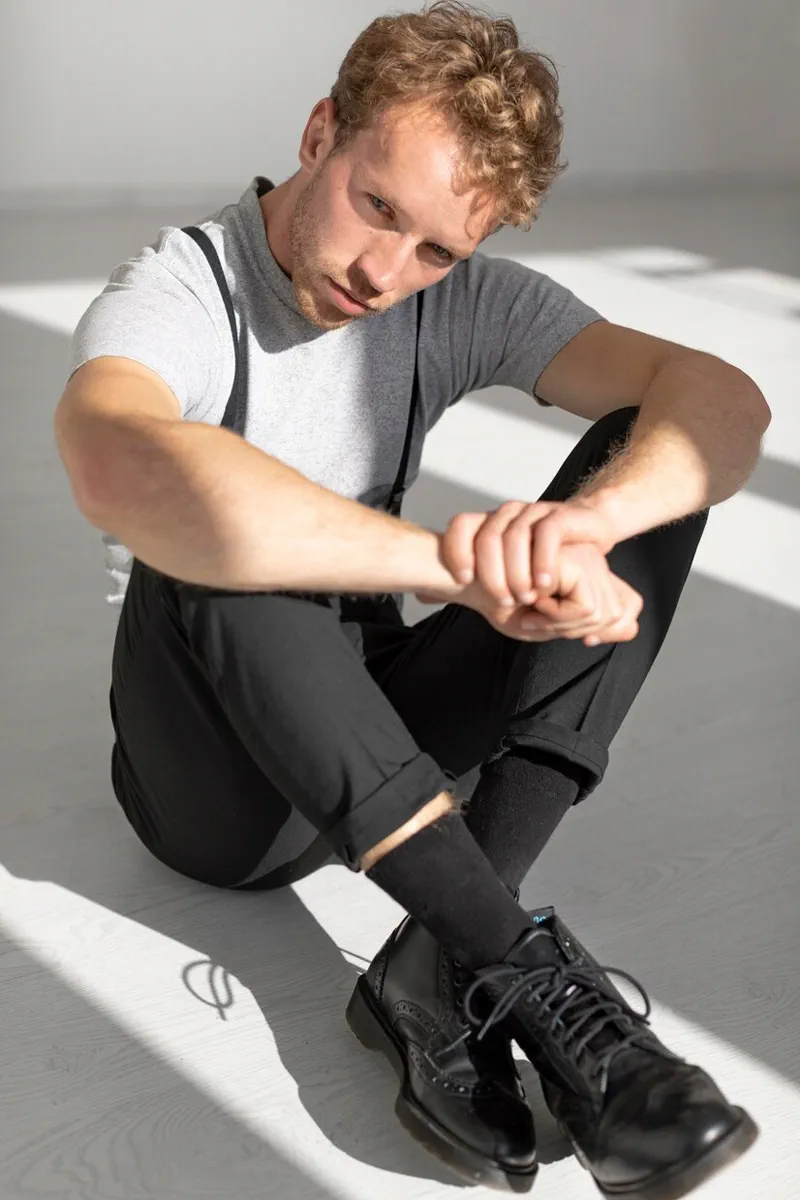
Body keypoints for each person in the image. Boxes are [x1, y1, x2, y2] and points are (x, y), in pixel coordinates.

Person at [55, 2, 770, 1195]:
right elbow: (115, 465)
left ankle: (433, 968)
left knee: (649, 463)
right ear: (320, 132)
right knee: (213, 511)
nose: (384, 274)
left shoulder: (452, 301)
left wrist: (582, 531)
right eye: (376, 207)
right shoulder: (178, 292)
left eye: (435, 250)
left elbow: (721, 401)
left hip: (373, 731)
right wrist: (456, 564)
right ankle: (514, 962)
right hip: (215, 796)